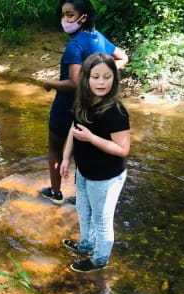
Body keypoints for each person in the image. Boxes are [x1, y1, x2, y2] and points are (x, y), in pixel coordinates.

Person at [41, 0, 128, 204]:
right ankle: (85, 197)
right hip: (93, 108)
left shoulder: (74, 45)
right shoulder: (98, 37)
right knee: (85, 150)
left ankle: (55, 193)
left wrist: (49, 83)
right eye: (63, 15)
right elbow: (123, 58)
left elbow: (73, 83)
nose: (65, 20)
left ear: (84, 17)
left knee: (55, 147)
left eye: (70, 15)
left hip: (66, 107)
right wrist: (103, 75)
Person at [60, 53, 130, 272]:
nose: (101, 82)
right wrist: (65, 158)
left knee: (101, 219)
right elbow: (74, 129)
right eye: (96, 76)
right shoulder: (83, 102)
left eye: (107, 77)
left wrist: (91, 138)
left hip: (107, 177)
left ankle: (100, 260)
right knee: (83, 209)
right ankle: (86, 245)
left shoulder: (116, 112)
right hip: (85, 170)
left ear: (114, 79)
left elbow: (123, 149)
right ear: (86, 79)